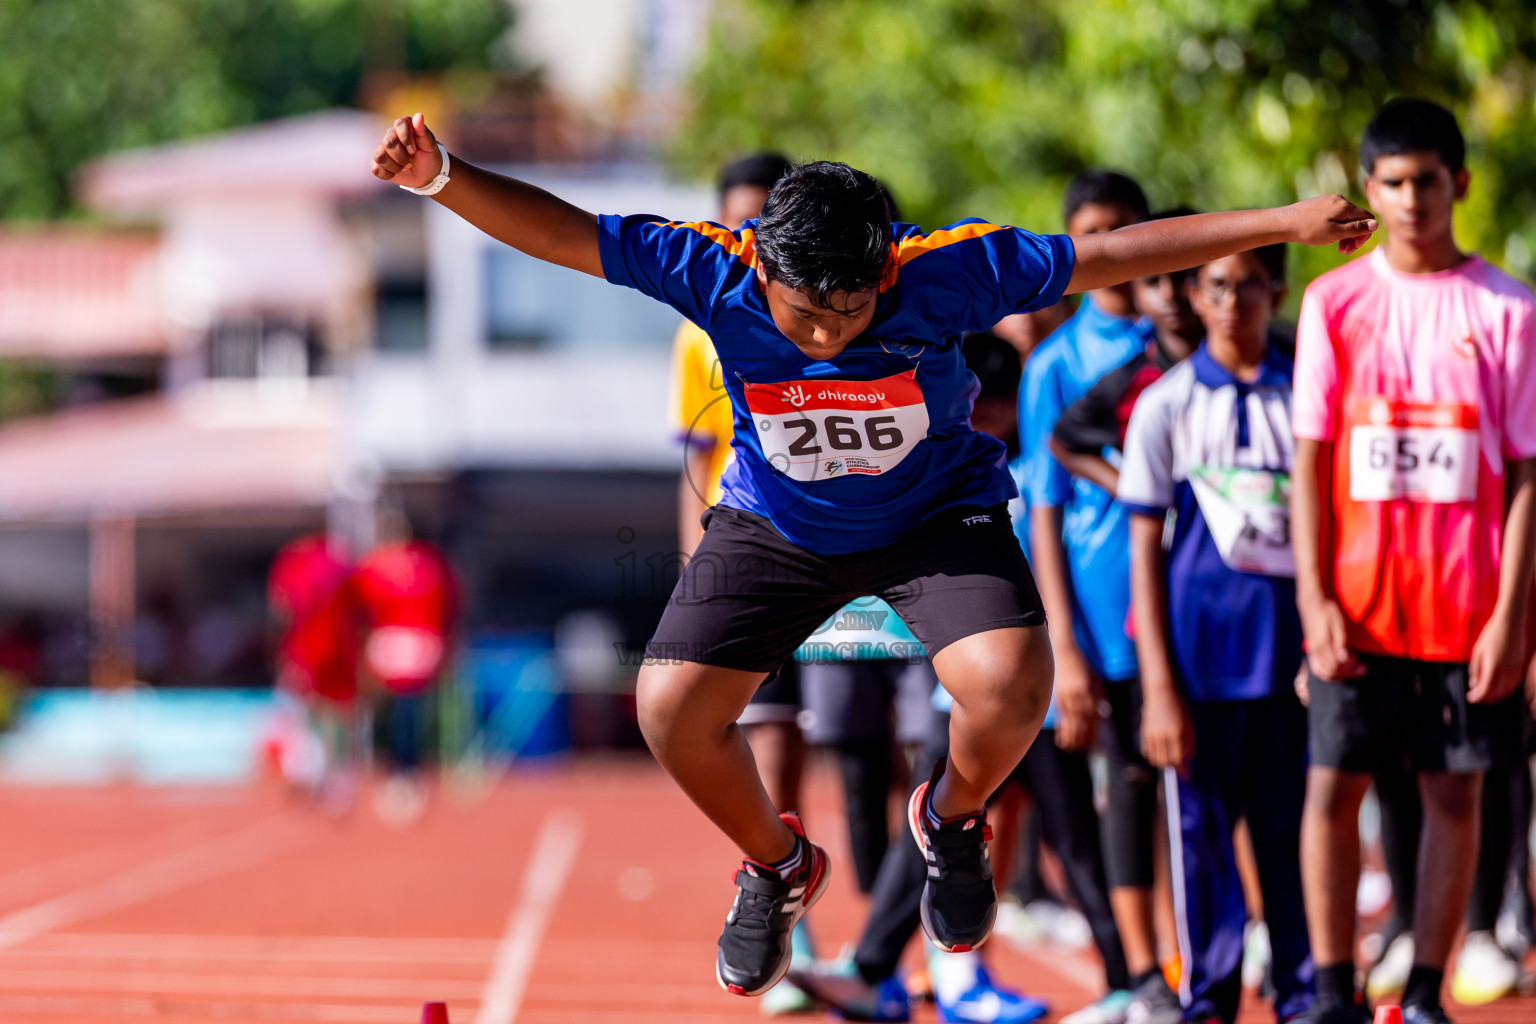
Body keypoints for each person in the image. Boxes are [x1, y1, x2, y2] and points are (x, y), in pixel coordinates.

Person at [371, 112, 1376, 998]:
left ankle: (951, 818)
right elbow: (568, 235)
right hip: (777, 526)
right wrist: (441, 178)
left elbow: (1113, 255)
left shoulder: (943, 269)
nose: (824, 336)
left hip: (935, 513)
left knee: (1015, 682)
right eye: (803, 315)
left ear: (885, 268)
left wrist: (1280, 222)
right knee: (669, 707)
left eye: (850, 313)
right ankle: (774, 868)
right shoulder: (709, 265)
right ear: (760, 266)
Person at [1290, 98, 1536, 1024]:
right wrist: (1313, 596)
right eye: (1391, 182)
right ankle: (1329, 989)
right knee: (1331, 789)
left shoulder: (1509, 308)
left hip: (1465, 611)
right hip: (1353, 604)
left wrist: (1514, 615)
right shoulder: (1333, 302)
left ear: (1458, 184)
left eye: (1426, 180)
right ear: (1369, 188)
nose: (1409, 199)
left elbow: (1525, 472)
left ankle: (1428, 990)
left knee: (1454, 794)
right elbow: (1310, 460)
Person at [791, 332, 1097, 1024]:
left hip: (1030, 683)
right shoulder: (934, 463)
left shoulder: (1028, 471)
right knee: (940, 822)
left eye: (993, 406)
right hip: (951, 679)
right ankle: (925, 975)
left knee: (1053, 832)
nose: (981, 416)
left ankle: (1118, 974)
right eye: (972, 404)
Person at [1118, 243, 1315, 1024]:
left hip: (1290, 665)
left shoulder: (1304, 397)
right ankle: (1210, 999)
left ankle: (1307, 992)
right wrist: (1158, 686)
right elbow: (1143, 551)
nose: (1235, 302)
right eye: (1218, 287)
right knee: (1199, 849)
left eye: (1251, 286)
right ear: (1194, 296)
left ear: (1277, 291)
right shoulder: (1165, 404)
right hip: (1196, 672)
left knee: (1292, 839)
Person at [1020, 175, 1180, 1024]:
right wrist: (1065, 648)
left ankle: (1212, 950)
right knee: (1124, 794)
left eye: (1125, 229)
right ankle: (1144, 970)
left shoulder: (1183, 338)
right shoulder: (1055, 365)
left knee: (1197, 785)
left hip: (1192, 605)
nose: (1111, 247)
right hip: (1101, 613)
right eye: (1091, 233)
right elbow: (1044, 515)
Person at [667, 151, 817, 1014]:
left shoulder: (832, 308)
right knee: (738, 723)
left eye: (764, 218)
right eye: (735, 219)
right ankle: (778, 880)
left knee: (801, 735)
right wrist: (694, 555)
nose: (747, 234)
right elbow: (691, 453)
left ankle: (799, 902)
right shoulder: (699, 328)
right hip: (746, 549)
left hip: (839, 547)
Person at [352, 509, 458, 825]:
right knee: (405, 713)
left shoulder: (377, 566)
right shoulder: (426, 564)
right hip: (413, 643)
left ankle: (403, 773)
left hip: (400, 644)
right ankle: (405, 772)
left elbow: (361, 612)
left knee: (401, 714)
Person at [268, 532, 360, 809]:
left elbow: (282, 609)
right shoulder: (341, 568)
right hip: (338, 651)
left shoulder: (296, 568)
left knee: (309, 714)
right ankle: (333, 777)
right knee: (335, 717)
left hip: (309, 652)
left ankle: (313, 772)